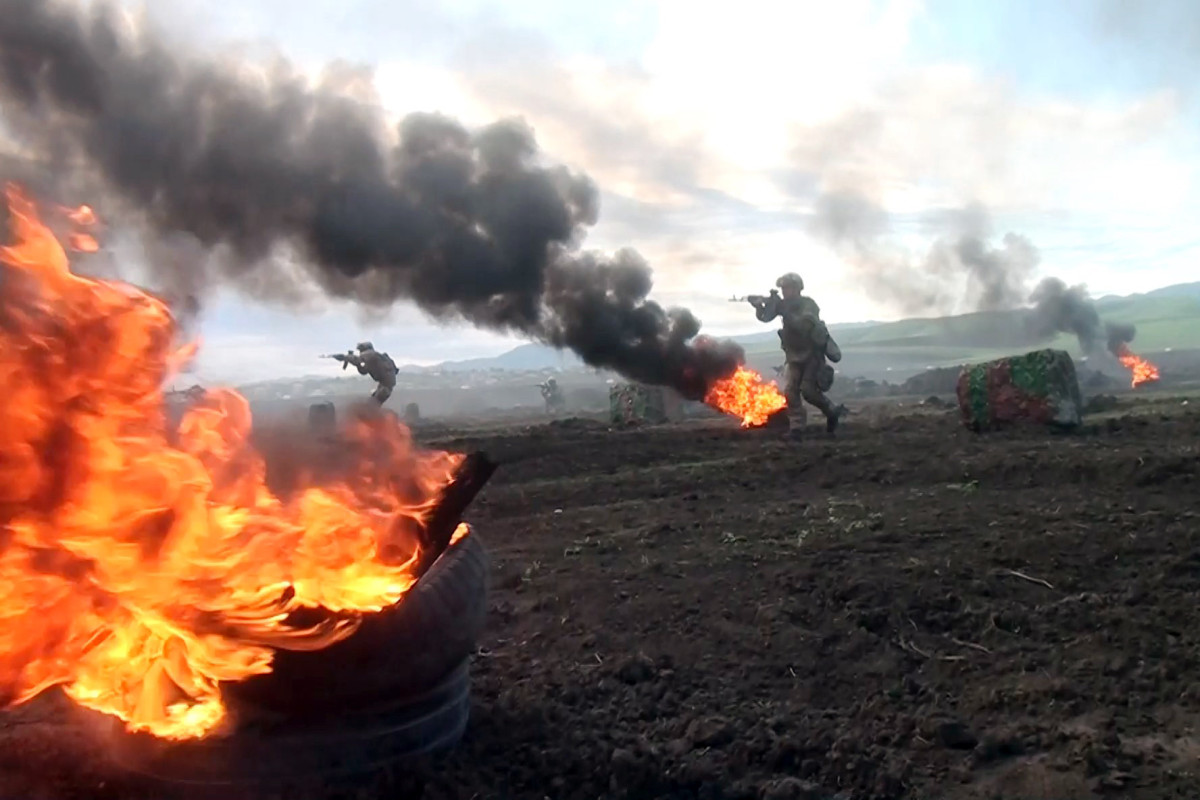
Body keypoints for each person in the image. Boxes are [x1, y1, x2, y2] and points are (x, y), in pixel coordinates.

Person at [749, 273, 846, 435]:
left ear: (797, 288)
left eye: (787, 288)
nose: (785, 292)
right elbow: (766, 318)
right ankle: (797, 427)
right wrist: (760, 307)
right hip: (793, 355)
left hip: (811, 355)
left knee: (808, 391)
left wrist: (784, 311)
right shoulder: (784, 305)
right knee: (790, 391)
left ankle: (831, 411)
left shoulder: (808, 305)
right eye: (783, 289)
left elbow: (804, 325)